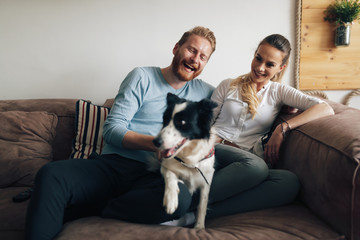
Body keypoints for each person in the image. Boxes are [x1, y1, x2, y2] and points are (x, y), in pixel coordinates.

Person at [25, 26, 216, 240]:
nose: (195, 59)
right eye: (191, 50)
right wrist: (157, 144)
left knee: (179, 200)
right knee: (51, 174)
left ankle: (94, 206)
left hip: (155, 175)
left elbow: (235, 109)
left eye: (203, 57)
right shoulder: (142, 76)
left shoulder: (206, 93)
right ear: (176, 48)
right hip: (113, 166)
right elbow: (112, 129)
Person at [204, 34, 334, 218]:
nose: (260, 67)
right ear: (254, 55)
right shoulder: (228, 85)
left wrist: (283, 128)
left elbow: (325, 108)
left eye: (270, 64)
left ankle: (196, 212)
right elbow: (204, 125)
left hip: (244, 165)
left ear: (281, 67)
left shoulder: (278, 92)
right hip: (214, 150)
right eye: (258, 58)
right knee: (256, 167)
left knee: (288, 182)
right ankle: (194, 205)